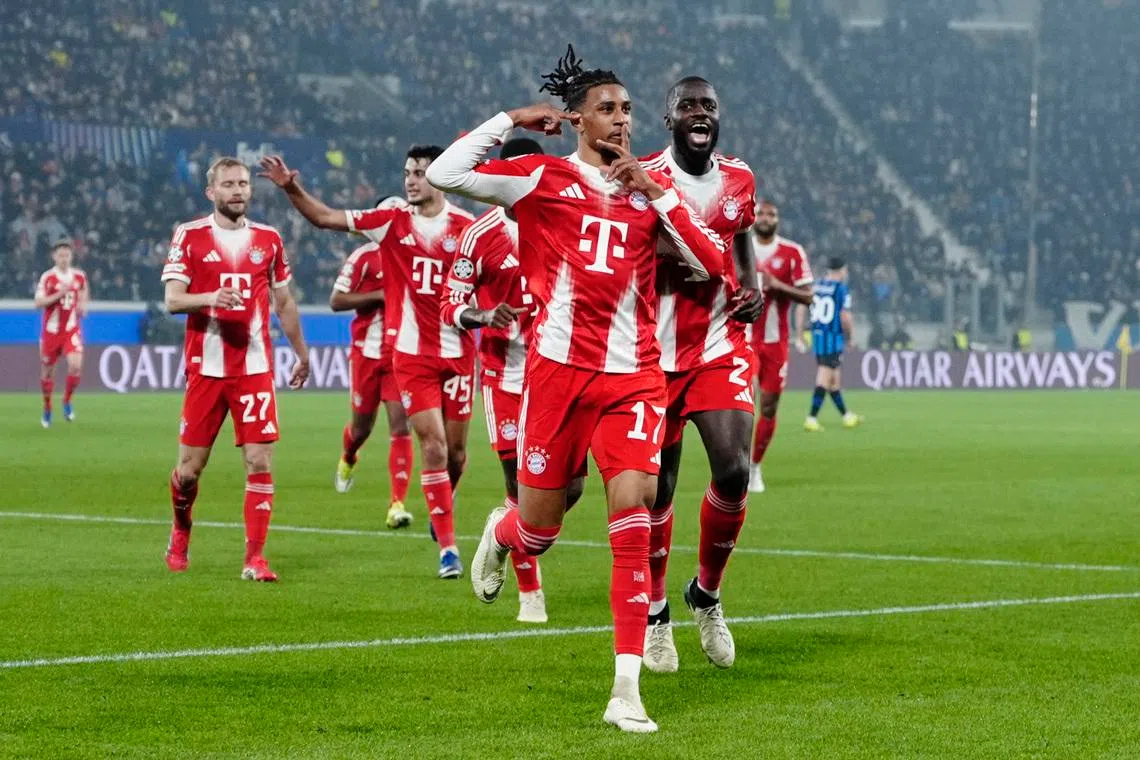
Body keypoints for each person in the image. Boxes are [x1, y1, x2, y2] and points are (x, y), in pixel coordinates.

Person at [426, 46, 726, 733]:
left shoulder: (650, 191)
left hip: (634, 379)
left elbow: (710, 264)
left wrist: (659, 193)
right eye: (607, 109)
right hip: (557, 378)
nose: (622, 120)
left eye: (627, 109)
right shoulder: (538, 178)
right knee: (542, 526)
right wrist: (510, 118)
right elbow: (448, 173)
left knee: (633, 516)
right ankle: (503, 537)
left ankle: (625, 691)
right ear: (580, 120)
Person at [259, 147, 476, 580]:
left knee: (455, 456)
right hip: (411, 356)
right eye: (407, 173)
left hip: (459, 353)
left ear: (441, 178)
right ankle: (448, 550)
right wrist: (291, 188)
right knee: (429, 445)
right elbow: (325, 218)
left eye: (419, 173)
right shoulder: (390, 223)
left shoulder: (469, 231)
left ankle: (440, 506)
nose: (411, 180)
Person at [636, 76, 762, 674]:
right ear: (669, 119)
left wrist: (752, 282)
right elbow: (637, 247)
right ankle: (656, 612)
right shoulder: (643, 178)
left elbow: (736, 239)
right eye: (687, 105)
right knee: (658, 490)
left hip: (717, 341)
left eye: (708, 105)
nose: (699, 113)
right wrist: (677, 250)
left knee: (735, 469)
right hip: (649, 352)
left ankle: (705, 594)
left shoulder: (739, 178)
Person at [440, 137, 585, 624]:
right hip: (507, 374)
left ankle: (500, 528)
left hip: (562, 370)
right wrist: (481, 314)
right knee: (521, 485)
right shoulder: (479, 235)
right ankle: (530, 594)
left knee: (573, 487)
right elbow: (450, 304)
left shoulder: (563, 218)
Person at [161, 157, 311, 582]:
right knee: (189, 471)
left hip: (255, 368)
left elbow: (283, 302)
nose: (238, 191)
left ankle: (255, 558)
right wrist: (211, 298)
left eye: (243, 183)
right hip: (206, 369)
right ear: (211, 192)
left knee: (259, 460)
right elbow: (173, 299)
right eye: (228, 184)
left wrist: (302, 352)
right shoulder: (189, 236)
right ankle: (180, 530)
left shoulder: (269, 238)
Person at [329, 195, 415, 529]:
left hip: (400, 351)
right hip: (366, 353)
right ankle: (349, 456)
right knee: (361, 428)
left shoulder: (414, 253)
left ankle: (397, 504)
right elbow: (336, 300)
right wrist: (379, 295)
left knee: (400, 425)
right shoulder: (363, 257)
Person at [748, 200, 814, 493]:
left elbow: (808, 296)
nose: (765, 217)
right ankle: (734, 467)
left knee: (770, 407)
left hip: (776, 344)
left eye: (771, 214)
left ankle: (754, 467)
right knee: (740, 404)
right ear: (753, 216)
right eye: (761, 212)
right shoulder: (739, 247)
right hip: (742, 340)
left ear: (778, 220)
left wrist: (776, 285)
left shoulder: (792, 252)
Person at [797, 257, 861, 431]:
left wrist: (800, 332)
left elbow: (801, 308)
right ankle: (811, 418)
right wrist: (850, 337)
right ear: (841, 270)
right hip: (833, 339)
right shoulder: (841, 289)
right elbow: (845, 316)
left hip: (818, 338)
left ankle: (847, 416)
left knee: (833, 381)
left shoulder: (816, 286)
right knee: (824, 378)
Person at [34, 240, 88, 428]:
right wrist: (59, 294)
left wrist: (82, 306)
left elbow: (83, 292)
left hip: (71, 329)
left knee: (75, 365)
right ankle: (47, 407)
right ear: (54, 257)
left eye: (67, 255)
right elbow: (38, 303)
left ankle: (66, 401)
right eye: (60, 255)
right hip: (51, 331)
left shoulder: (79, 276)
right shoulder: (48, 277)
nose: (64, 258)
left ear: (71, 256)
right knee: (48, 372)